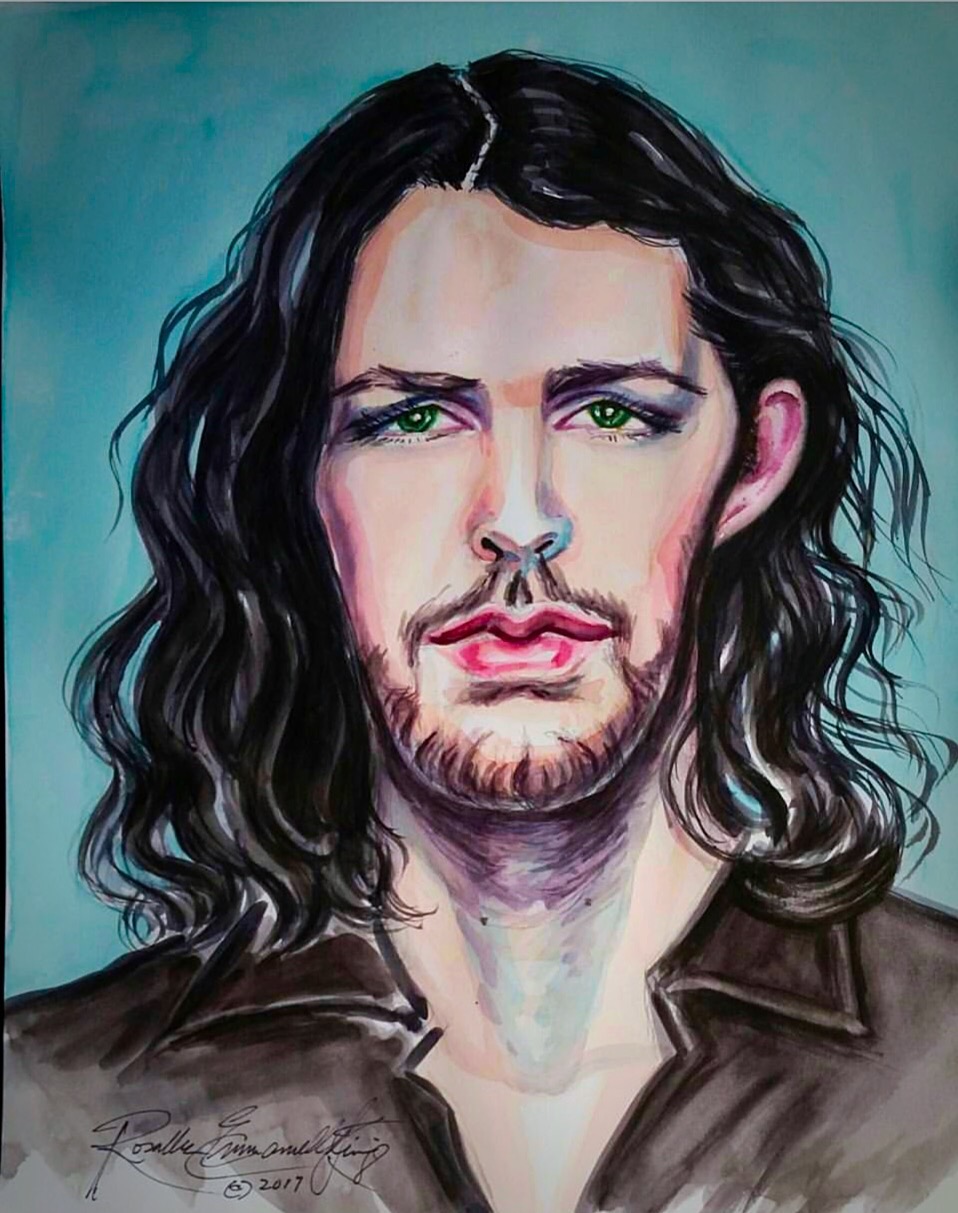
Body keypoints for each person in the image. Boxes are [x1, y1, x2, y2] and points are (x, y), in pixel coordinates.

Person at [4, 49, 958, 1213]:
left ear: (755, 459)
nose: (516, 518)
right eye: (412, 417)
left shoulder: (942, 1061)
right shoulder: (48, 1111)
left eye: (611, 412)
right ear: (292, 477)